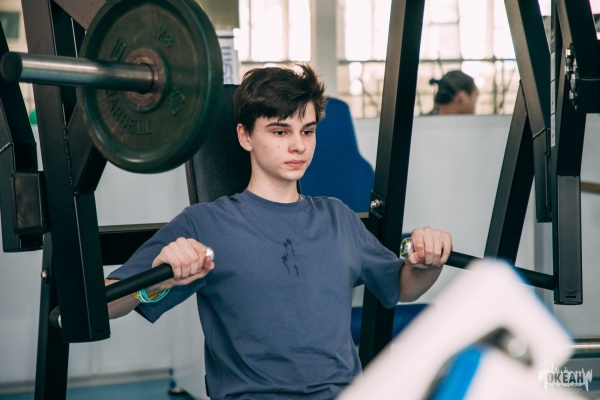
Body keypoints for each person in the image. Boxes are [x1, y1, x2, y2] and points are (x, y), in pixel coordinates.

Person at [105, 64, 452, 400]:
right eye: (280, 132)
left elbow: (401, 286)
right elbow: (107, 303)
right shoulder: (205, 224)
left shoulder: (338, 218)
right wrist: (155, 284)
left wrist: (427, 263)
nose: (298, 145)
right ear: (245, 136)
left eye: (308, 131)